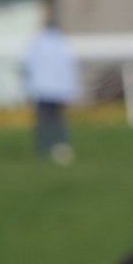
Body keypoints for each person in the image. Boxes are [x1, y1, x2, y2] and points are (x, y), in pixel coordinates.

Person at [21, 13, 80, 164]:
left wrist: (28, 87)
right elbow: (68, 67)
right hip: (58, 89)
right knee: (57, 120)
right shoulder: (61, 43)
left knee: (43, 121)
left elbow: (28, 66)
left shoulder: (36, 43)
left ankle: (44, 148)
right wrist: (71, 90)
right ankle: (59, 146)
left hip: (41, 89)